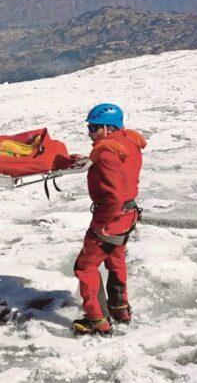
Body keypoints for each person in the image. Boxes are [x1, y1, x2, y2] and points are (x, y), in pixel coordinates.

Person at [72, 103, 147, 335]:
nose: (90, 133)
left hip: (111, 219)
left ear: (107, 128)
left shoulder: (106, 153)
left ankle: (97, 320)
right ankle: (119, 308)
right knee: (116, 261)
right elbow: (120, 169)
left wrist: (99, 225)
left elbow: (112, 196)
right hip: (128, 215)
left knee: (85, 267)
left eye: (94, 128)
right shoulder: (128, 142)